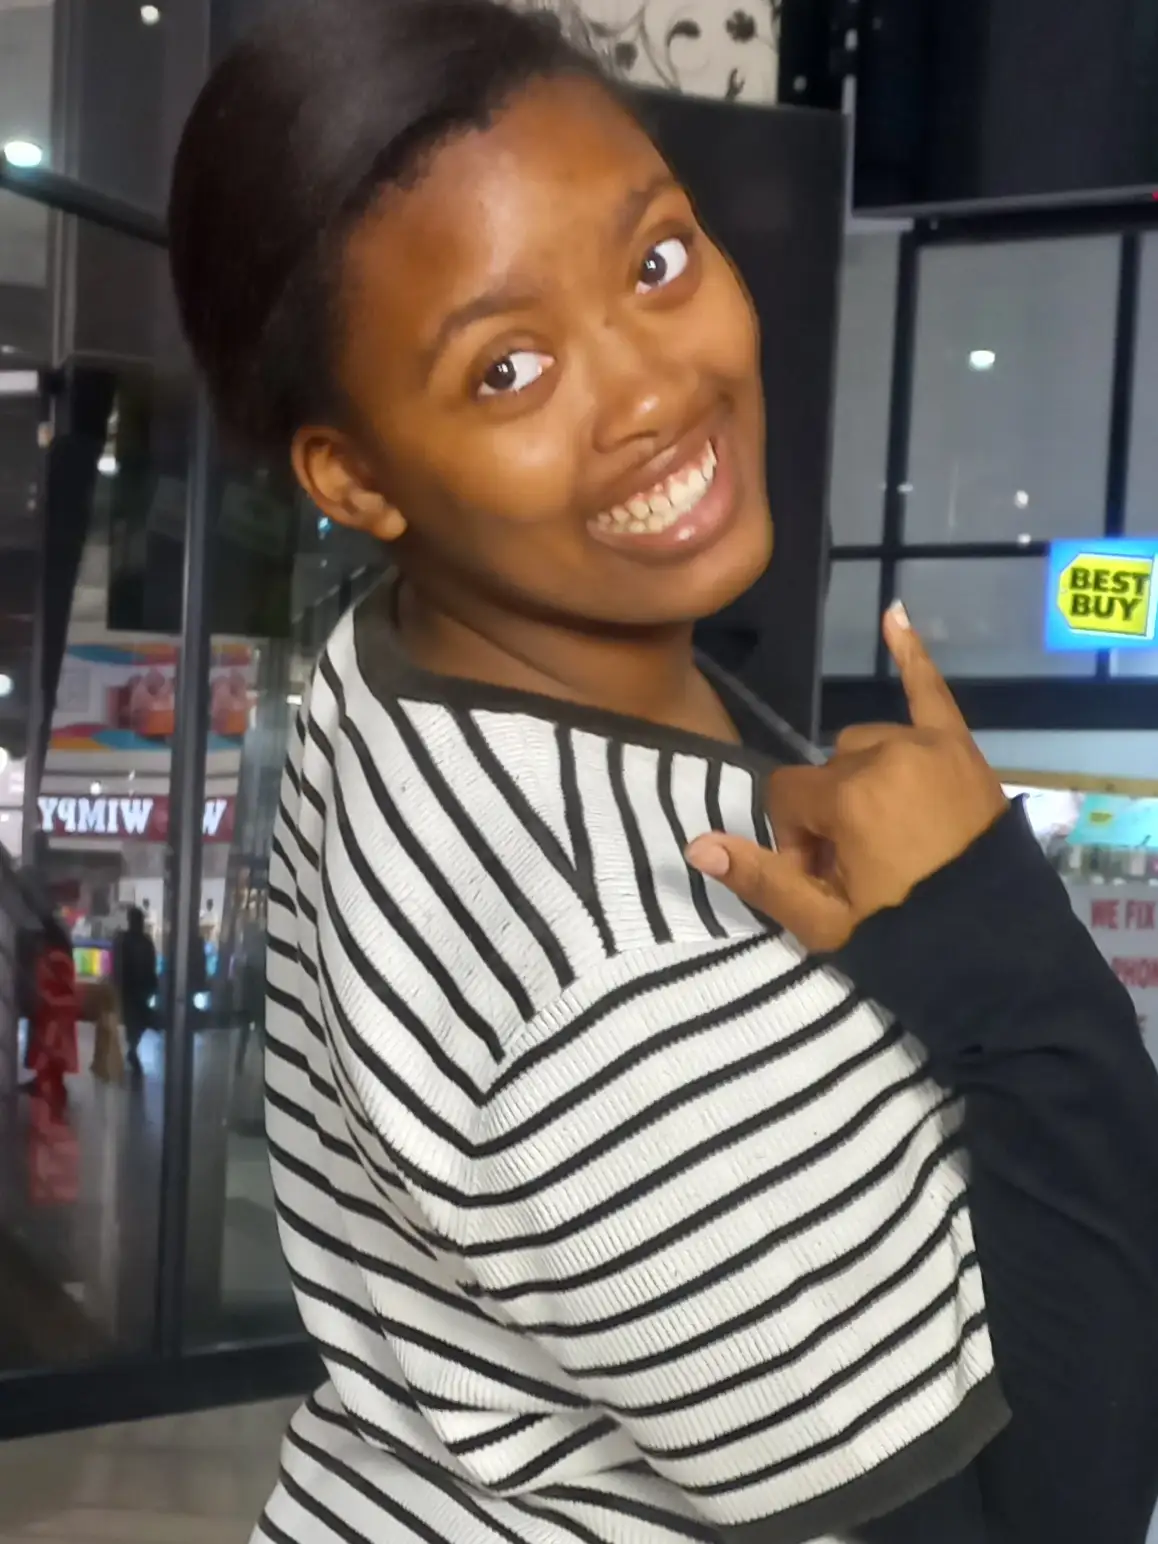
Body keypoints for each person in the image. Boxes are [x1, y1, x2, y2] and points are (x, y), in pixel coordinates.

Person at [166, 3, 1158, 1541]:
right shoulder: (611, 982)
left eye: (653, 261)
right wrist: (1017, 965)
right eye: (507, 369)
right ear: (353, 476)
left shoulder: (420, 648)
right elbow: (1052, 1523)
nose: (650, 391)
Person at [22, 917, 78, 1112]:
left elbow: (50, 985)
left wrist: (43, 996)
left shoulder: (53, 957)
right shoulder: (60, 955)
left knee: (48, 1054)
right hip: (57, 1013)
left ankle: (51, 1097)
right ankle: (51, 1093)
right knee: (53, 1058)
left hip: (53, 1014)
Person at [114, 905, 157, 1074]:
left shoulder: (137, 941)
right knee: (135, 1020)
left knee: (139, 1020)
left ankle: (132, 1049)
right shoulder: (133, 941)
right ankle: (132, 1050)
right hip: (133, 987)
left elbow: (150, 962)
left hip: (138, 987)